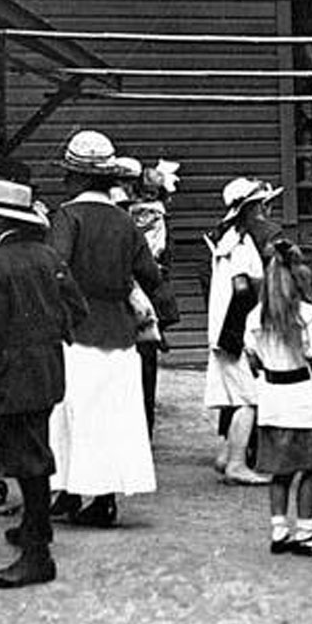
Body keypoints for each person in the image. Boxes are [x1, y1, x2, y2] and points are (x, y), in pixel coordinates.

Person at [0, 178, 88, 589]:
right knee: (36, 449)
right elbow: (78, 309)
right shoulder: (48, 256)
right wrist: (51, 332)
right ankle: (37, 528)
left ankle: (37, 555)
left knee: (27, 458)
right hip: (48, 369)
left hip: (11, 374)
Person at [45, 130, 161, 527]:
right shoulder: (125, 221)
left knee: (70, 413)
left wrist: (70, 306)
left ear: (74, 177)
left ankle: (71, 491)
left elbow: (57, 267)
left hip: (78, 329)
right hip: (119, 328)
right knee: (110, 416)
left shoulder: (67, 216)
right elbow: (149, 271)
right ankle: (102, 497)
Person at [243, 239, 312, 559]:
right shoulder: (307, 315)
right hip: (306, 398)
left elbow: (253, 359)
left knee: (281, 470)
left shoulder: (255, 318)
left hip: (273, 398)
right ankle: (305, 531)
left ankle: (278, 529)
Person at [202, 177, 282, 487]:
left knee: (237, 395)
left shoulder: (228, 239)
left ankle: (227, 454)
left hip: (225, 326)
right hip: (238, 327)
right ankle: (236, 462)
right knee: (249, 397)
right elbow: (248, 287)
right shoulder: (247, 241)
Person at [120, 157, 180, 438]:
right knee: (143, 363)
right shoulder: (149, 215)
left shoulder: (145, 214)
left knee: (143, 363)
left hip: (141, 292)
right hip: (140, 289)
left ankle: (141, 426)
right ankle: (142, 426)